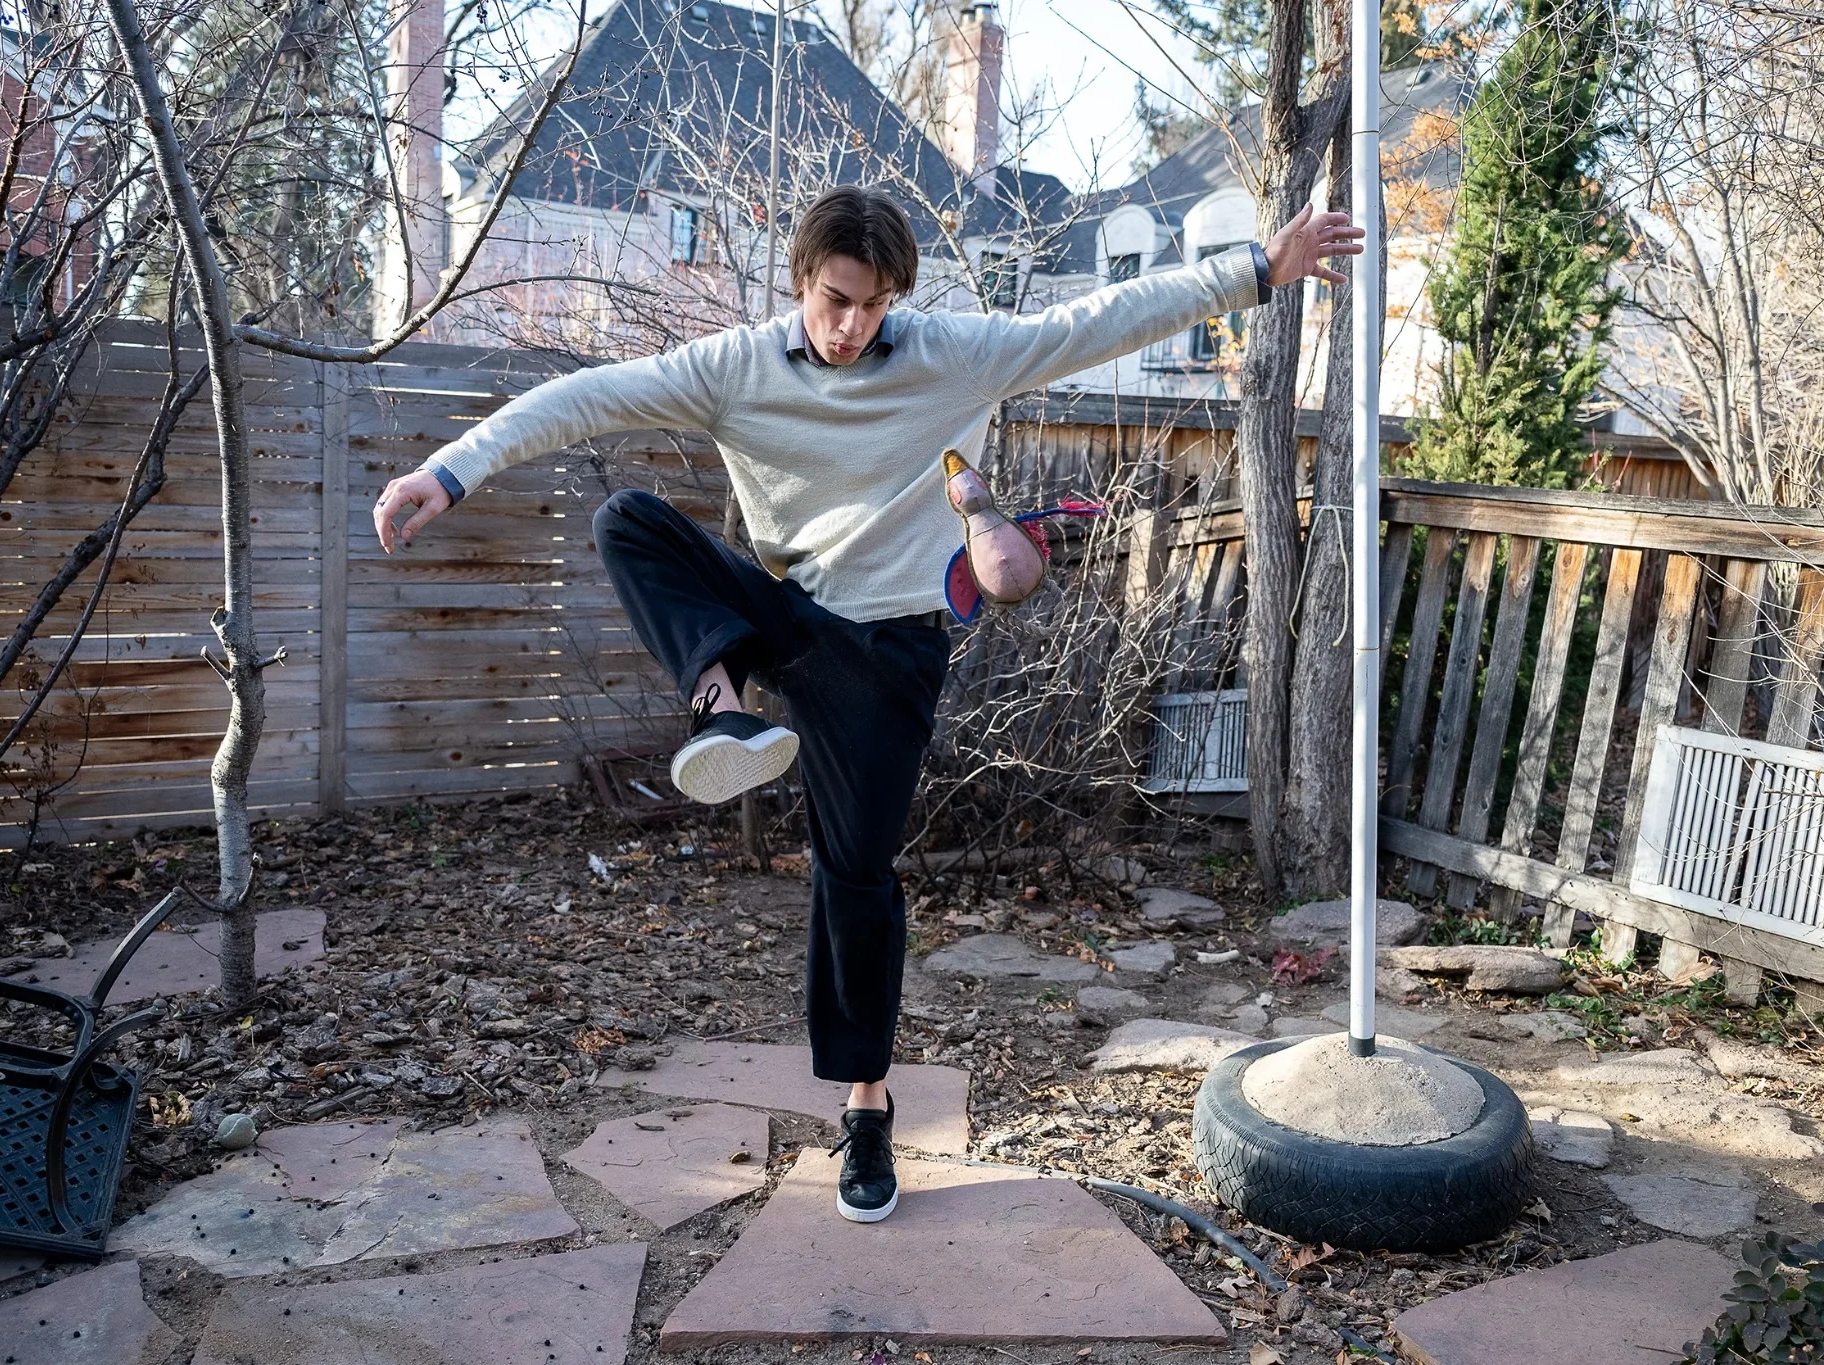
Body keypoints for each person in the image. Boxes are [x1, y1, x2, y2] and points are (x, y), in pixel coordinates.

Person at [373, 186, 1363, 1224]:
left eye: (874, 306)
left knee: (854, 880)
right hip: (789, 613)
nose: (853, 328)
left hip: (889, 653)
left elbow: (1092, 323)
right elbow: (584, 396)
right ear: (801, 279)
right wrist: (453, 469)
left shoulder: (949, 354)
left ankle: (865, 1106)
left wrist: (1257, 269)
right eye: (836, 301)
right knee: (629, 520)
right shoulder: (735, 368)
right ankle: (723, 712)